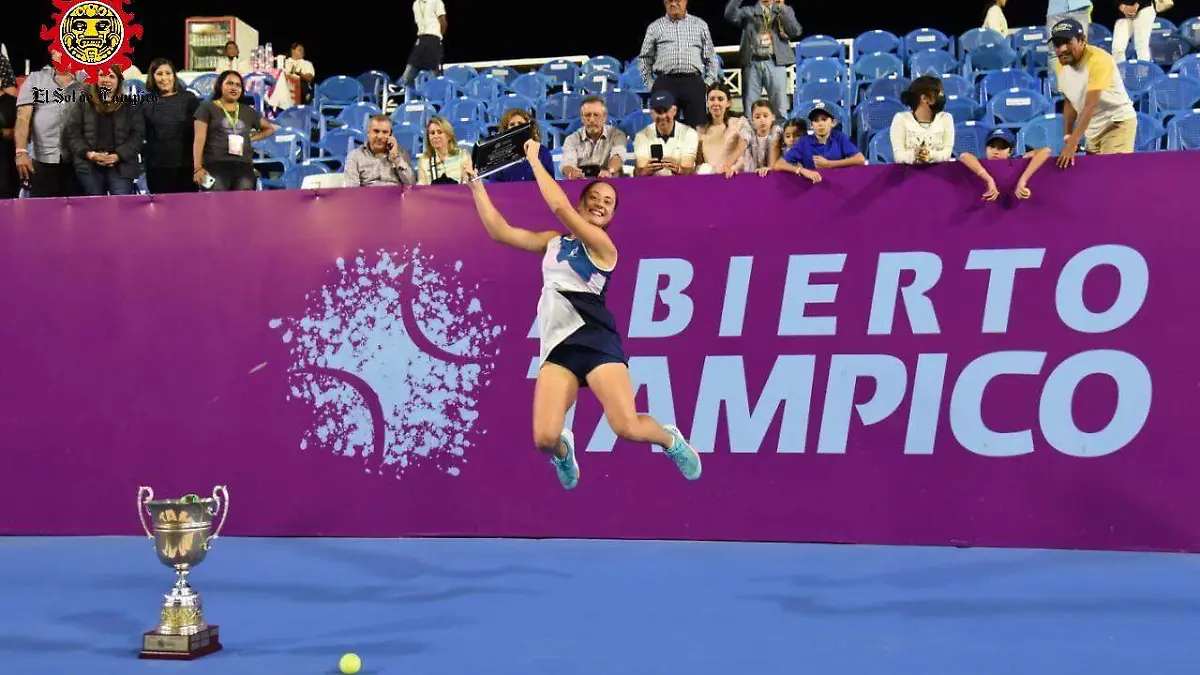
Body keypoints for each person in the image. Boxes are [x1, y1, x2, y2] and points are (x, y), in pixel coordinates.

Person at [462, 139, 703, 490]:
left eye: (608, 202)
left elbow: (560, 207)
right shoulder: (553, 242)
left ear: (612, 214)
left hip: (596, 342)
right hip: (558, 347)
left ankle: (670, 440)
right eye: (594, 198)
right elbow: (500, 231)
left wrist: (534, 161)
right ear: (582, 203)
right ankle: (565, 452)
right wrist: (475, 184)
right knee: (545, 438)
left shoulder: (605, 249)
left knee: (626, 427)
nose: (600, 204)